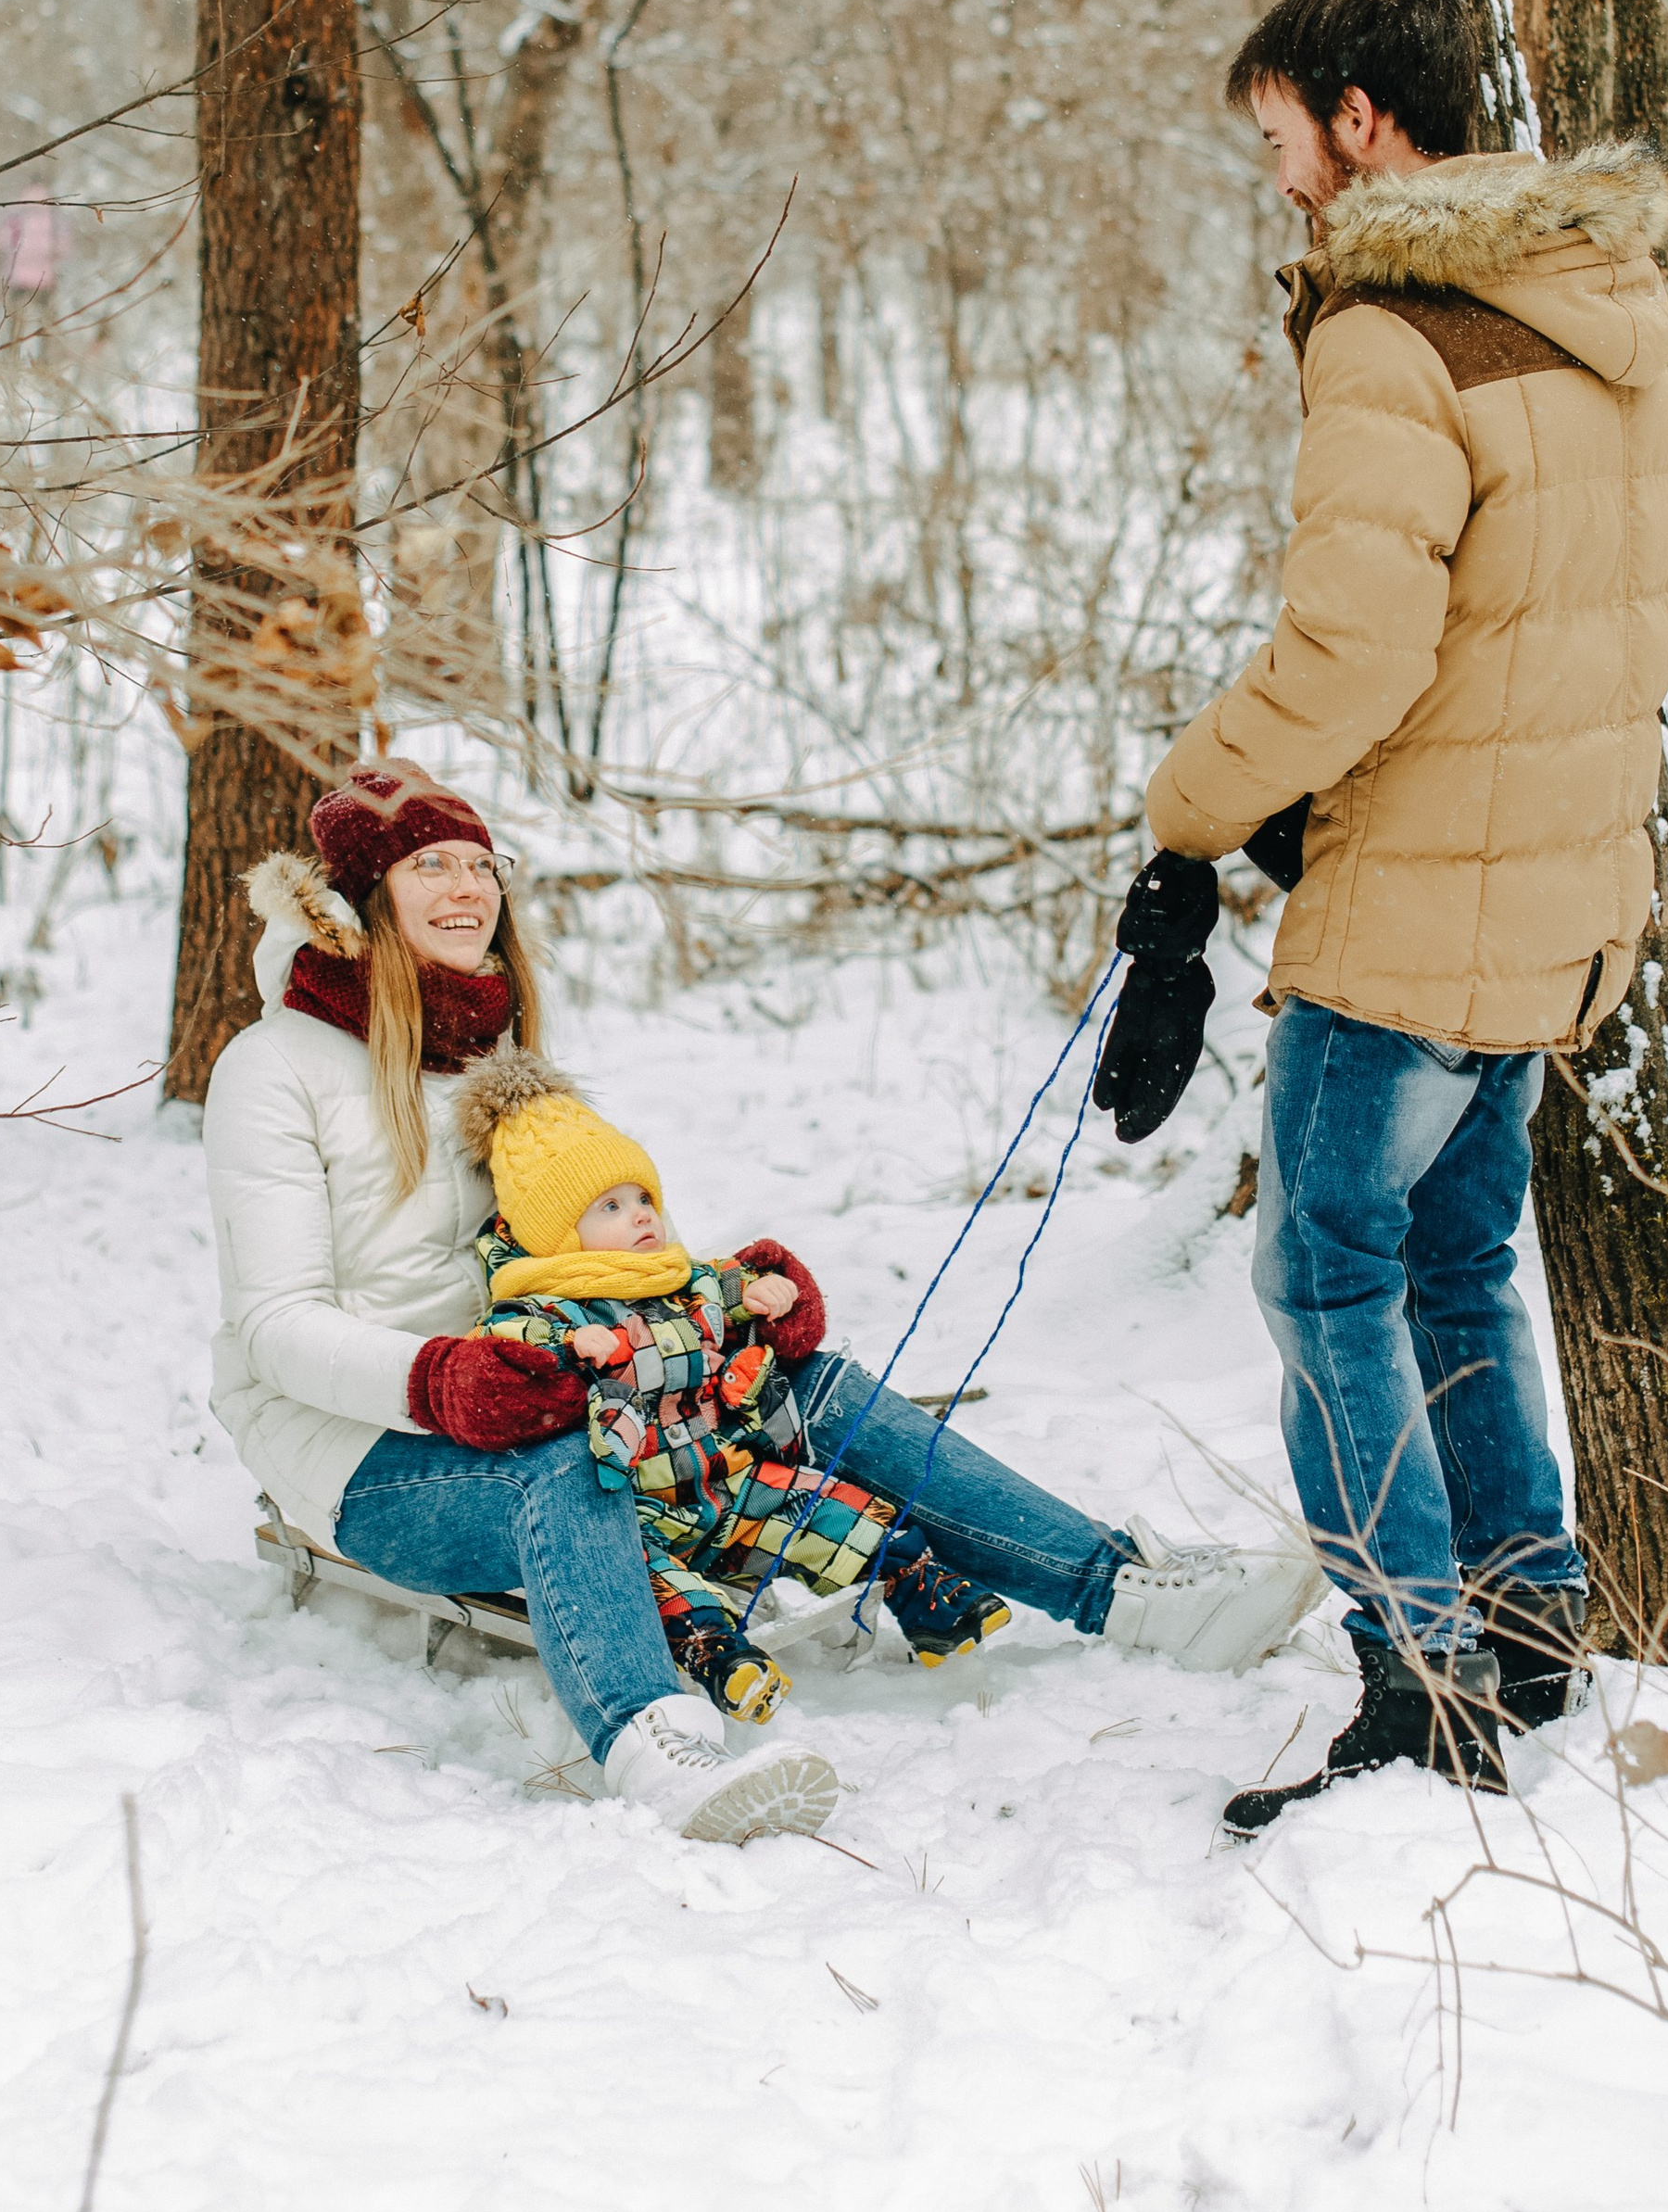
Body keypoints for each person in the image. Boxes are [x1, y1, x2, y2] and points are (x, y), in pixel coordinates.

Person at [201, 759, 1320, 1850]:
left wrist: (718, 1306)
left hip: (540, 1372)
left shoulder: (492, 1046)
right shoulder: (277, 1067)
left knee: (800, 1384)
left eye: (479, 862)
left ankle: (1117, 1586)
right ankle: (657, 1743)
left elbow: (571, 1245)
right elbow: (275, 1325)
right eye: (428, 865)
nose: (466, 888)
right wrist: (443, 1381)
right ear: (358, 898)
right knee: (575, 1457)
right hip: (358, 1450)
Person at [1088, 0, 1668, 1835]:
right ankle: (1524, 1623)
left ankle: (1417, 1684)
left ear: (1359, 119)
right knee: (1449, 1265)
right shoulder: (1598, 307)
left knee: (1320, 1272)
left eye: (1282, 143)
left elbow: (1353, 649)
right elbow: (1540, 629)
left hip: (1419, 916)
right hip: (1555, 908)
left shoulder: (1388, 330)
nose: (1280, 186)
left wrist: (1187, 815)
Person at [460, 1056, 1011, 1725]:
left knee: (835, 1505)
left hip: (731, 1482)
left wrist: (761, 1297)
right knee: (657, 1584)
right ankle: (720, 1656)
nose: (641, 1217)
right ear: (557, 1233)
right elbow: (497, 1367)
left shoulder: (684, 1277)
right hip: (636, 1511)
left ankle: (921, 1590)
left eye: (644, 1199)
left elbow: (735, 1289)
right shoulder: (541, 1310)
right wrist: (565, 1352)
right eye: (611, 1206)